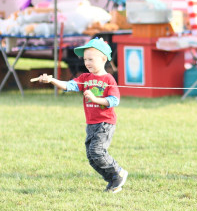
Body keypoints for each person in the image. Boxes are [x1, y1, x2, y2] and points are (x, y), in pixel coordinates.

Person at [30, 38, 128, 193]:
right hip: (91, 123)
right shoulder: (85, 78)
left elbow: (114, 100)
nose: (87, 63)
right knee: (91, 157)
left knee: (97, 151)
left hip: (105, 122)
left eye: (91, 59)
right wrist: (52, 80)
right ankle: (113, 180)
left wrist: (95, 99)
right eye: (85, 59)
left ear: (103, 59)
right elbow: (69, 86)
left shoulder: (108, 79)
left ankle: (118, 172)